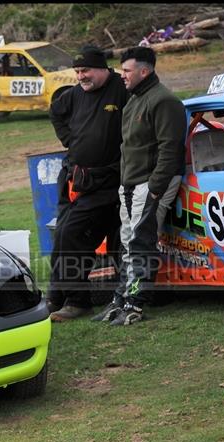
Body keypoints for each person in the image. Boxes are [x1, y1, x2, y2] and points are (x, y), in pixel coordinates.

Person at [92, 46, 186, 326]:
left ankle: (136, 302)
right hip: (130, 183)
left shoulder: (164, 100)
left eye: (127, 71)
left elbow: (171, 149)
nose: (122, 76)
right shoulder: (134, 100)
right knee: (126, 241)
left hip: (151, 183)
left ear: (144, 71)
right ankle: (120, 299)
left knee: (141, 241)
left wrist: (156, 187)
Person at [46, 46, 129, 322]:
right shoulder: (75, 94)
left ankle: (78, 300)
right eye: (78, 71)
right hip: (76, 180)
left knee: (72, 235)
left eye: (86, 71)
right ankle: (57, 297)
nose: (81, 76)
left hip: (108, 181)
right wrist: (70, 140)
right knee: (61, 238)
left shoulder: (121, 88)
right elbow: (55, 112)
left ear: (103, 68)